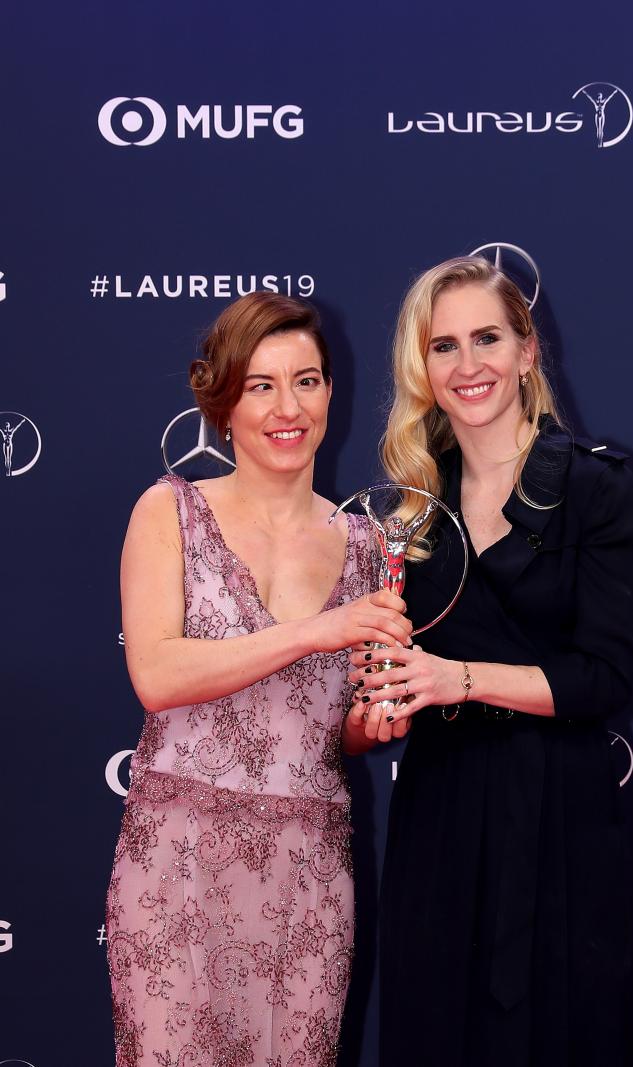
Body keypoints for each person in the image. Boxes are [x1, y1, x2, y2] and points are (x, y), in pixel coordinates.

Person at [348, 256, 633, 1066]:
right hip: (440, 812)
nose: (468, 363)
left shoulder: (600, 489)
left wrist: (457, 678)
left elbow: (611, 678)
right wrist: (381, 707)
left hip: (563, 815)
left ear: (527, 352)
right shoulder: (410, 505)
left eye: (487, 337)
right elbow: (386, 675)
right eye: (443, 346)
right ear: (423, 369)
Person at [105, 291, 412, 1067]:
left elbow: (335, 722)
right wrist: (317, 630)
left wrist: (373, 722)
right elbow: (157, 673)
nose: (288, 407)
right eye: (261, 384)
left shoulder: (368, 544)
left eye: (306, 381)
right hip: (177, 865)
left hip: (306, 875)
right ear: (224, 399)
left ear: (331, 393)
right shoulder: (169, 512)